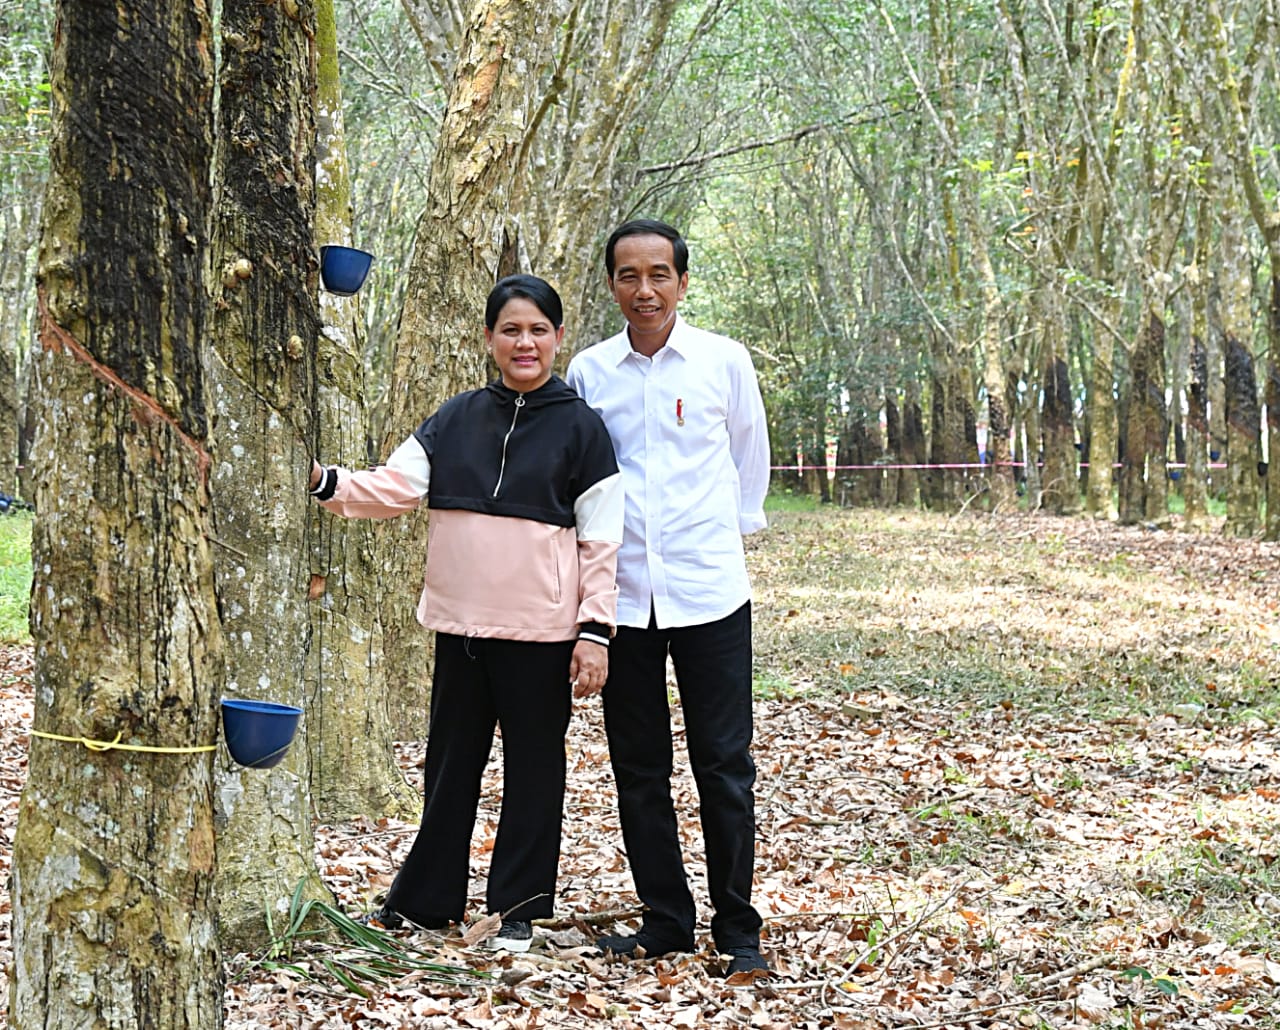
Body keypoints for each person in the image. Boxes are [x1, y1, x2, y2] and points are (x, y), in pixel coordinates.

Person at [309, 274, 623, 952]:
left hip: (542, 634)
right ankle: (426, 901)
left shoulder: (583, 429)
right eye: (511, 329)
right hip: (459, 627)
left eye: (538, 329)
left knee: (535, 771)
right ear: (488, 339)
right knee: (451, 766)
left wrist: (594, 632)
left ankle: (517, 909)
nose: (525, 342)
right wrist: (324, 481)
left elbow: (602, 541)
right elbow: (393, 488)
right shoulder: (454, 419)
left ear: (558, 338)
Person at [565, 220, 772, 976]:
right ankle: (666, 920)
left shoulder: (723, 362)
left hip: (711, 592)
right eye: (629, 275)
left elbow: (750, 464)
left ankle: (739, 929)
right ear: (613, 285)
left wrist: (723, 536)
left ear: (683, 282)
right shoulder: (590, 373)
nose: (644, 289)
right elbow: (583, 481)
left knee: (724, 764)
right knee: (639, 766)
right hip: (623, 603)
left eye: (659, 274)